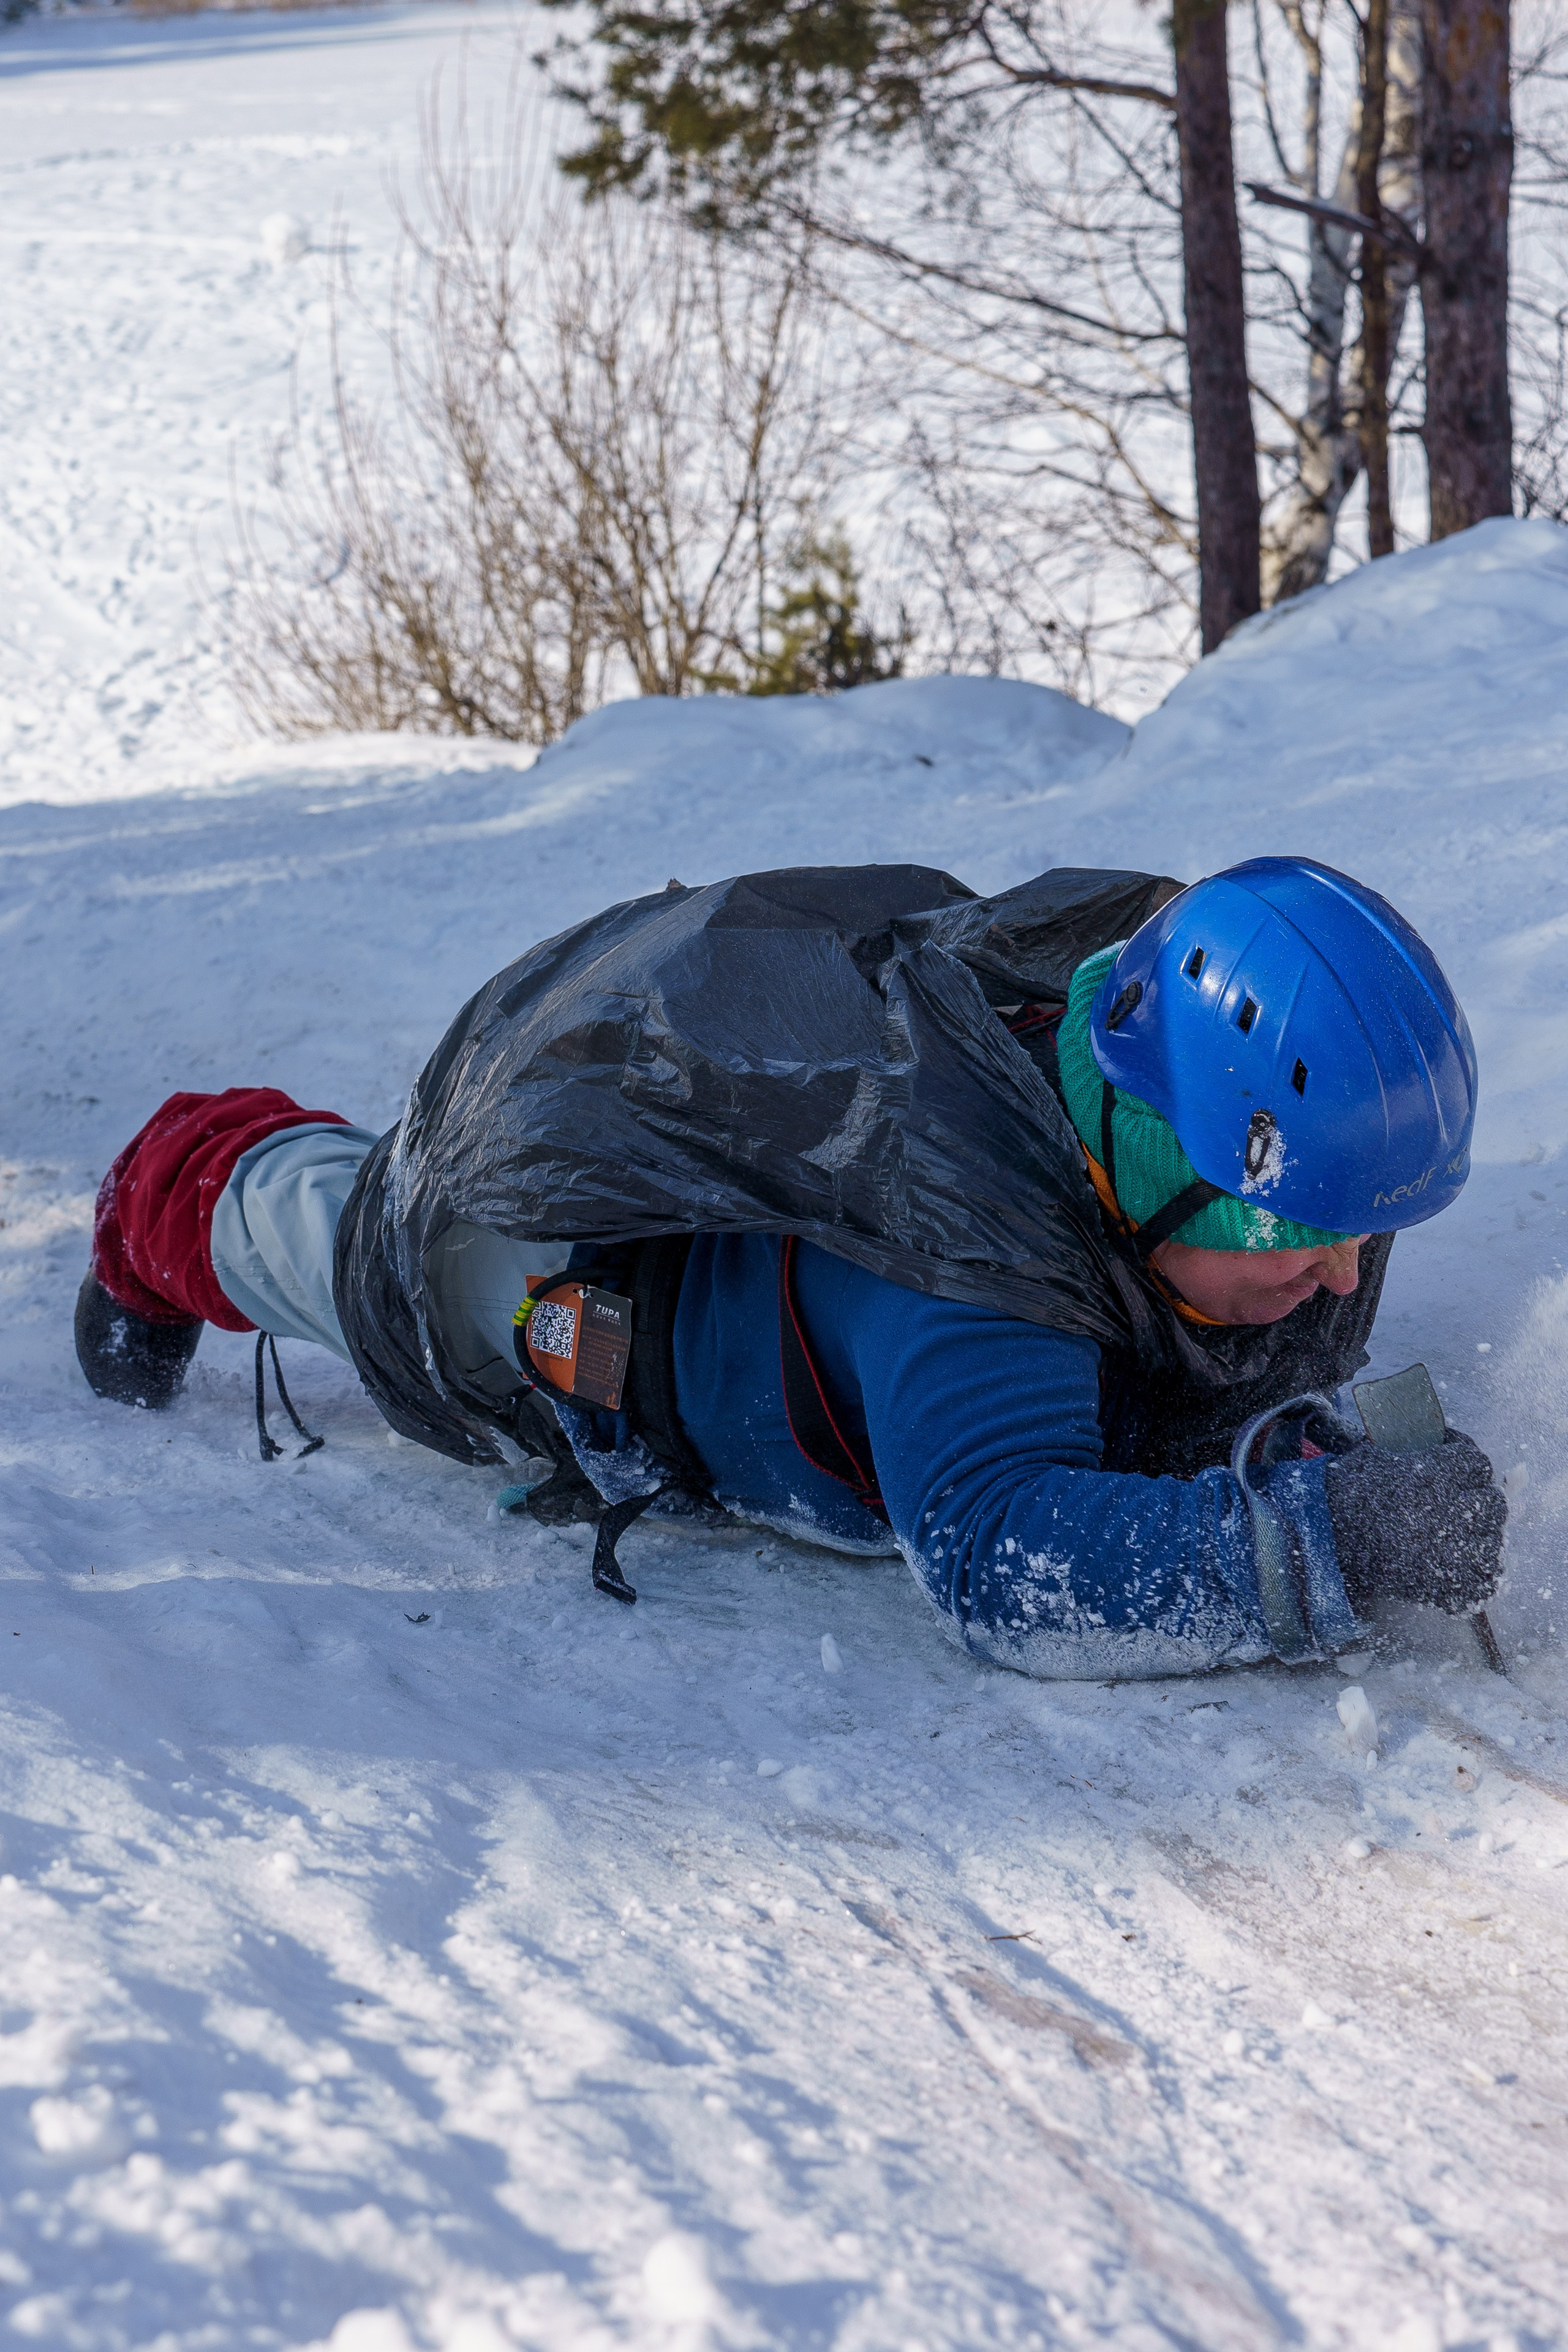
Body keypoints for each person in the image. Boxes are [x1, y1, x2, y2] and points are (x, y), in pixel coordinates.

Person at [74, 856, 1506, 1679]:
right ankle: (168, 1187)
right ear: (1150, 1152)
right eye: (1291, 1234)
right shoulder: (963, 1263)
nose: (1341, 1279)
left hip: (766, 1168)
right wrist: (1326, 1541)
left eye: (1364, 1232)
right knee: (353, 1241)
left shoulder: (1233, 1150)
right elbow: (1005, 1561)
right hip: (564, 1270)